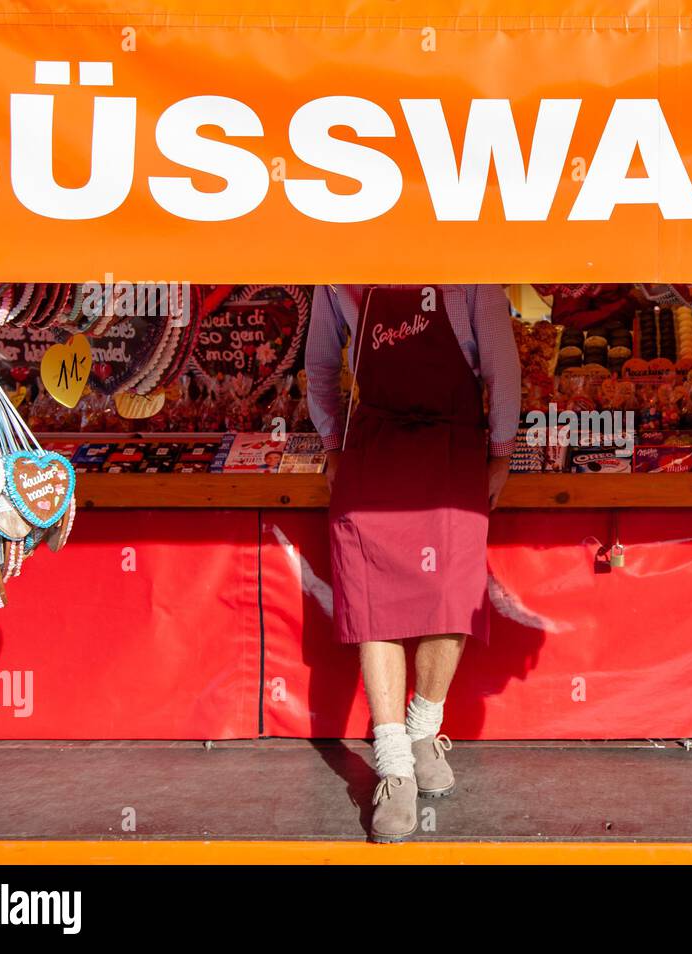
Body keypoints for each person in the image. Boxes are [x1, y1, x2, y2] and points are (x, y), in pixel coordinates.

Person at [305, 284, 521, 843]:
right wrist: (332, 442)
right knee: (371, 604)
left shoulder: (471, 274)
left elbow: (501, 365)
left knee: (452, 598)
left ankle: (424, 727)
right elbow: (322, 362)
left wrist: (502, 451)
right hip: (373, 446)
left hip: (453, 446)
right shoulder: (341, 272)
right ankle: (395, 765)